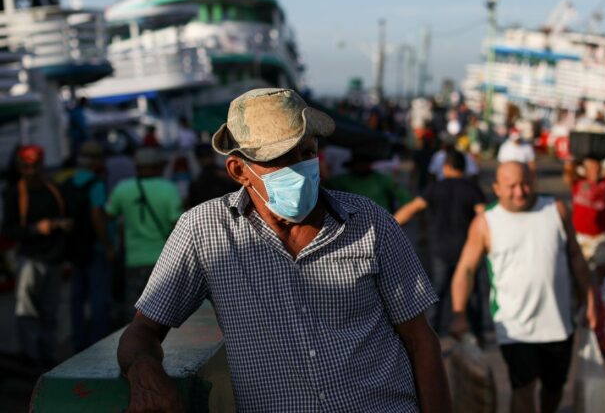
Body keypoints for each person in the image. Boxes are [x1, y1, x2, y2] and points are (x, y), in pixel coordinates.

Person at [117, 88, 451, 412]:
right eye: (280, 159)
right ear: (239, 171)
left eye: (307, 153)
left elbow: (420, 338)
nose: (301, 169)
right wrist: (145, 372)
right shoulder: (204, 231)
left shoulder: (370, 221)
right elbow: (143, 332)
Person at [450, 162, 597, 413]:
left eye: (525, 184)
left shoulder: (556, 209)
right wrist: (459, 313)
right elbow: (465, 269)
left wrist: (590, 300)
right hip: (514, 325)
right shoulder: (486, 222)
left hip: (558, 323)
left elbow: (575, 256)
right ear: (496, 188)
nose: (520, 191)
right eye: (511, 186)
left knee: (554, 387)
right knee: (523, 386)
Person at [394, 149, 486, 338]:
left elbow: (412, 209)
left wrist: (386, 225)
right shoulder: (472, 189)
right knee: (472, 295)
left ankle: (431, 336)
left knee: (437, 293)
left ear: (446, 167)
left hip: (439, 249)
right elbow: (484, 215)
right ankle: (478, 336)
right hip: (466, 251)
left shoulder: (435, 188)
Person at [1, 145, 69, 369]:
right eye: (25, 166)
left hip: (53, 259)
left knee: (49, 311)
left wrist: (61, 226)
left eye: (34, 166)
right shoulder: (14, 194)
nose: (30, 171)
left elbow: (66, 217)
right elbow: (9, 230)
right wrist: (36, 229)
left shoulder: (54, 190)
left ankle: (47, 356)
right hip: (29, 259)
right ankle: (31, 357)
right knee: (27, 310)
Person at [106, 147, 182, 321]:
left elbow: (108, 215)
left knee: (134, 311)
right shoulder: (168, 189)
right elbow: (177, 222)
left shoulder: (122, 188)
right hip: (163, 261)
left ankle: (132, 344)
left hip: (133, 260)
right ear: (157, 167)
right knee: (164, 311)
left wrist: (110, 245)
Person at [65, 141, 115, 351]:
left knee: (77, 297)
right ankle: (97, 342)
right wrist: (108, 245)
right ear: (95, 162)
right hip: (94, 248)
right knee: (98, 297)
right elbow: (96, 216)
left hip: (75, 247)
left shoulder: (69, 183)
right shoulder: (95, 184)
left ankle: (78, 339)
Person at [564, 156, 605, 275]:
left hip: (600, 238)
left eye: (597, 166)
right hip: (581, 238)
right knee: (579, 271)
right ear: (585, 169)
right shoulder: (578, 183)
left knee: (603, 271)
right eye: (591, 167)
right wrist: (576, 155)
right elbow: (568, 169)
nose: (595, 170)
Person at [326, 151, 411, 212]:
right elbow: (325, 187)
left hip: (381, 221)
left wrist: (399, 216)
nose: (361, 166)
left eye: (364, 163)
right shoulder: (343, 180)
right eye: (359, 163)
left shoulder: (381, 179)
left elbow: (404, 197)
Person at [187, 143, 239, 208]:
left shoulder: (226, 173)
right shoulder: (196, 182)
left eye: (207, 156)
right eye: (203, 157)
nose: (206, 160)